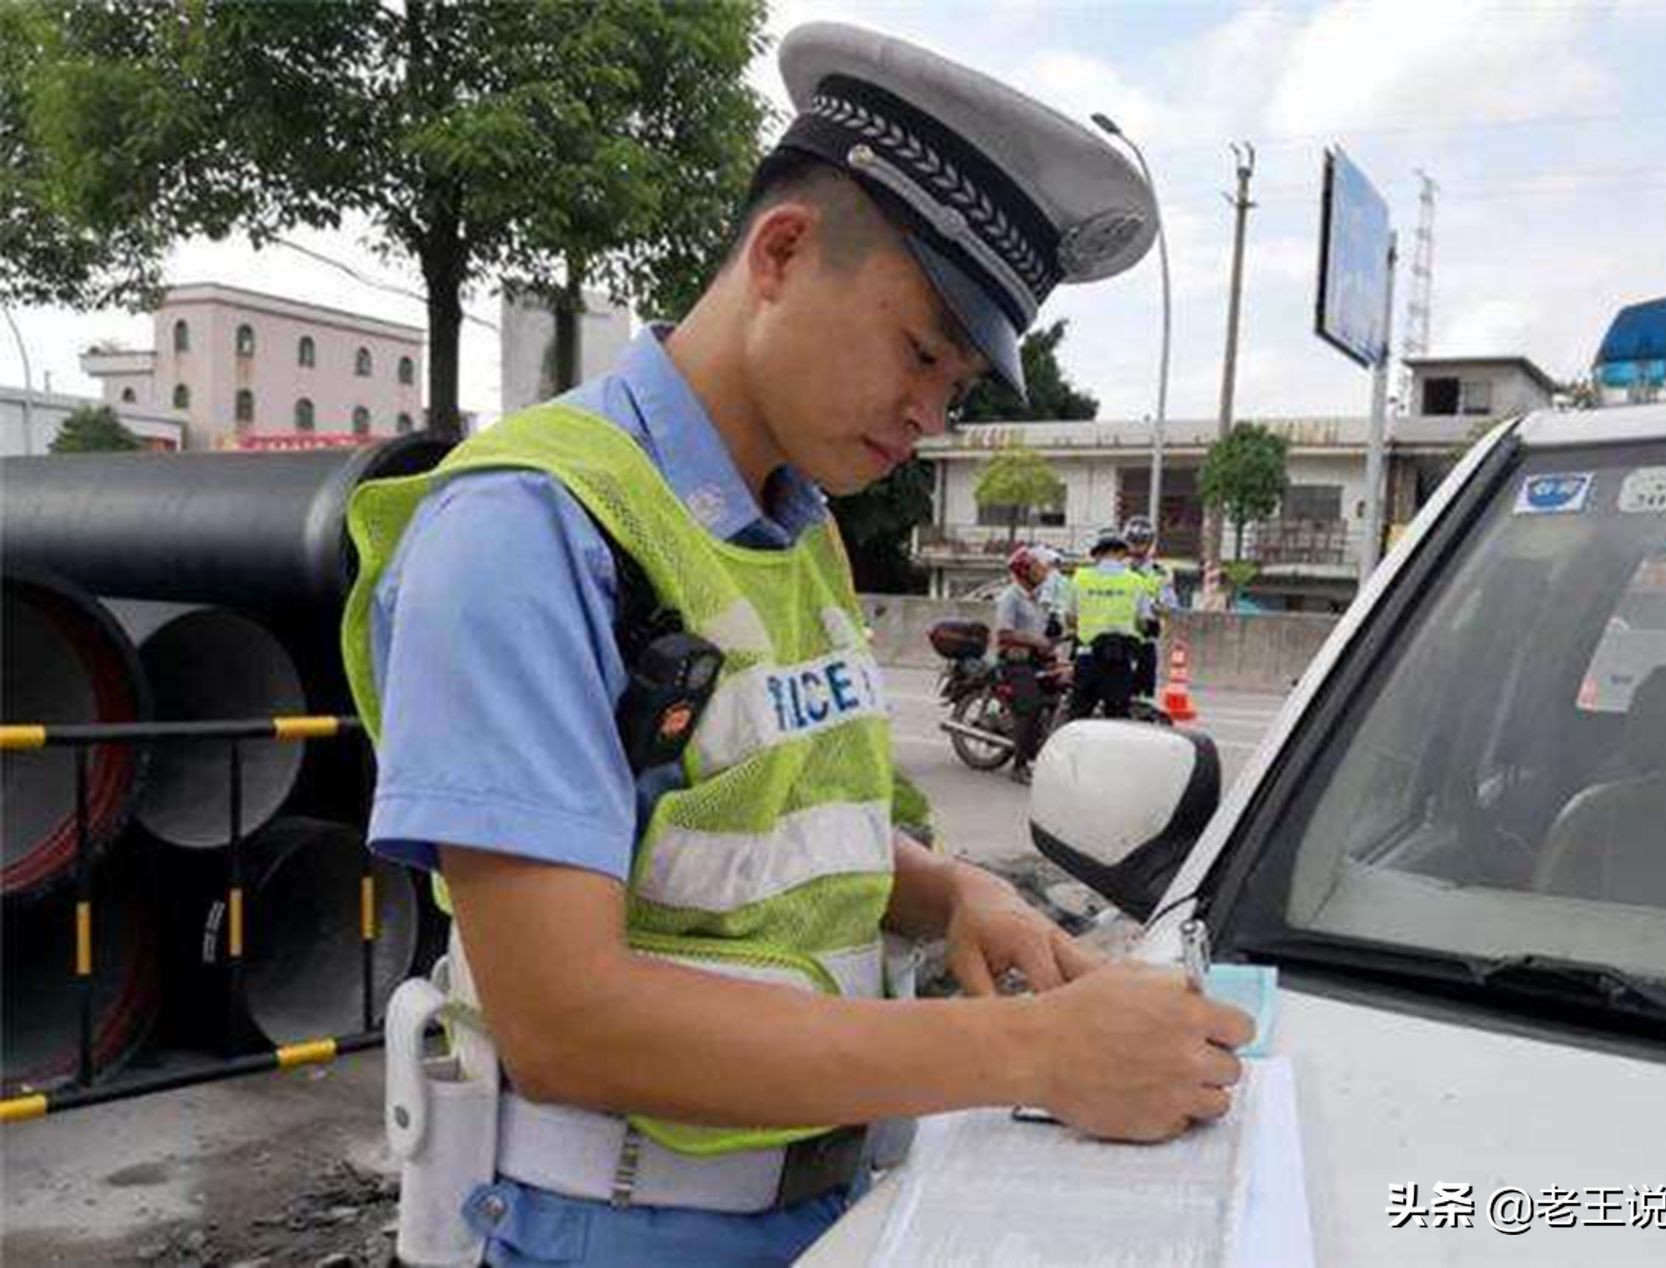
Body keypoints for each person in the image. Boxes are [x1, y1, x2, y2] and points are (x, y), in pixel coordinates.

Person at [340, 21, 1252, 1267]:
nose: (927, 414)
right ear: (780, 252)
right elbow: (566, 1020)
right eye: (919, 351)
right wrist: (1036, 1050)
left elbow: (771, 827)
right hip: (607, 1227)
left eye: (956, 385)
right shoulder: (526, 527)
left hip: (833, 1202)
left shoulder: (797, 525)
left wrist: (952, 892)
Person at [1069, 529, 1153, 720]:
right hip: (1119, 662)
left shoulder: (1080, 578)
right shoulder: (1135, 581)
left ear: (1097, 553)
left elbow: (1070, 618)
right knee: (1116, 721)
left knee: (1078, 718)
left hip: (1087, 659)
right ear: (1121, 552)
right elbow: (1143, 623)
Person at [994, 546, 1057, 784]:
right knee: (1030, 708)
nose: (1042, 572)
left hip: (1036, 660)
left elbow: (1041, 631)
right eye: (1036, 568)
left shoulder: (1037, 597)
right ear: (1024, 572)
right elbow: (1004, 633)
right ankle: (1019, 766)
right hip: (1016, 661)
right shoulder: (1010, 597)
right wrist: (1036, 641)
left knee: (1057, 698)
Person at [1123, 514, 1174, 702]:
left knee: (1143, 699)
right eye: (1134, 541)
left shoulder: (1160, 573)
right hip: (1118, 638)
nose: (1138, 547)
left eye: (1142, 541)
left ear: (1150, 543)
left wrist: (1150, 605)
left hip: (1145, 641)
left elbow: (1168, 607)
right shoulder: (1117, 569)